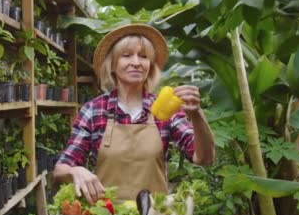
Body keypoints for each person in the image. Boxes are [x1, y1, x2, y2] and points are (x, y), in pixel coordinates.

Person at [53, 24, 215, 203]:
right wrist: (75, 170)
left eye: (143, 57)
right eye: (127, 55)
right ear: (113, 65)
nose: (136, 62)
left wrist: (197, 115)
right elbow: (60, 170)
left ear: (150, 66)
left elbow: (204, 158)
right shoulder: (94, 110)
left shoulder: (164, 109)